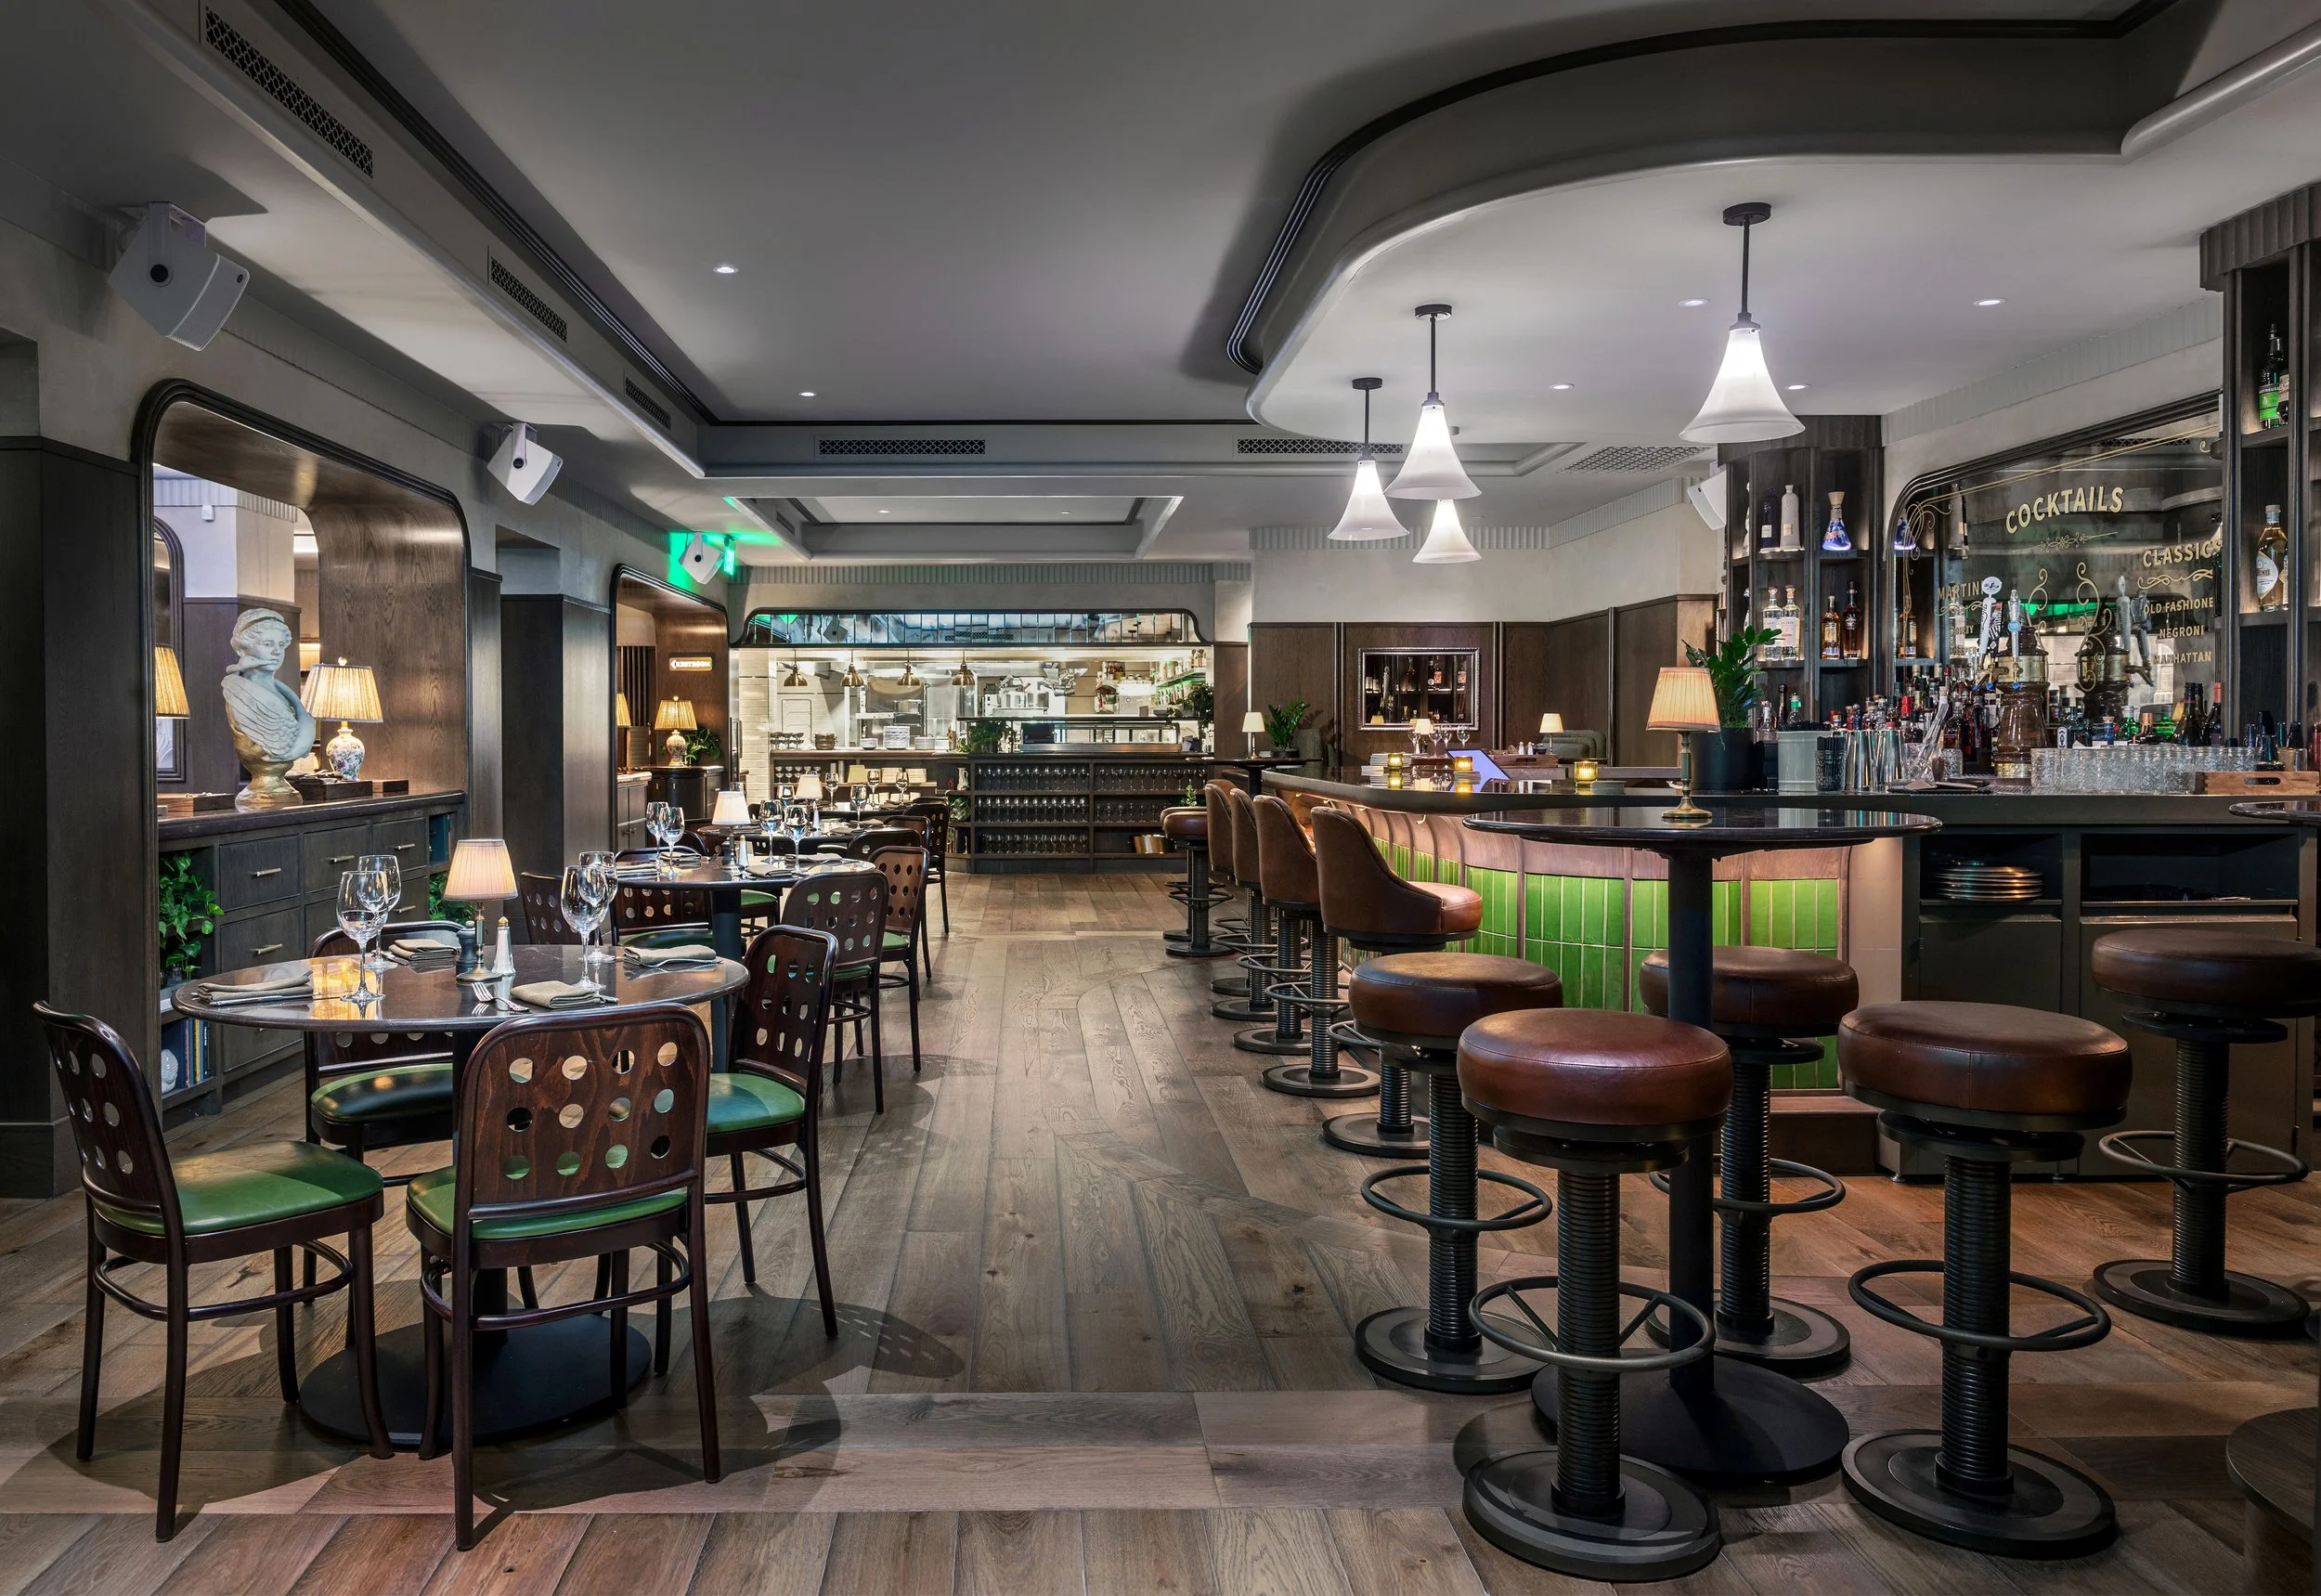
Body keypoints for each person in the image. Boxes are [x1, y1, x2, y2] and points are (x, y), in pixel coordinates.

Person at [220, 608, 314, 806]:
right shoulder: (241, 693)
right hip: (260, 796)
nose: (277, 651)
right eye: (268, 644)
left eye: (281, 645)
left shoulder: (283, 693)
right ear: (243, 649)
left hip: (282, 792)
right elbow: (268, 748)